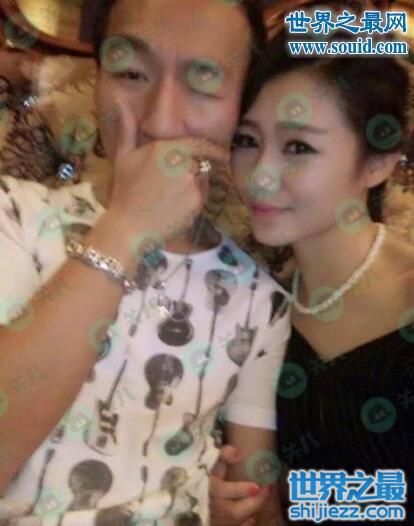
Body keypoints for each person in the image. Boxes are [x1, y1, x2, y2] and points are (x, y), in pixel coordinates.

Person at [0, 1, 292, 525]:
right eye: (132, 73)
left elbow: (257, 497)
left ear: (243, 110)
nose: (159, 120)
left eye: (203, 81)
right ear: (97, 79)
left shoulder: (260, 302)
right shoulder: (14, 217)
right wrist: (127, 227)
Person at [214, 23, 414, 525]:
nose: (260, 174)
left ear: (378, 162)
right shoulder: (251, 307)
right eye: (246, 140)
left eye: (298, 147)